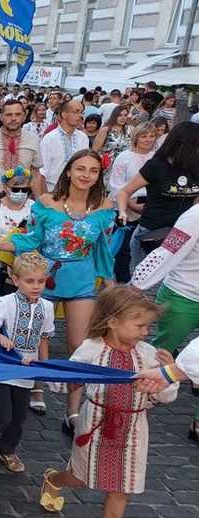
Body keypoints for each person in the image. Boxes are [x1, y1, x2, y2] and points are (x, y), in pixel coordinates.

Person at [0, 150, 116, 437]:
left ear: (98, 176)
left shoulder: (105, 208)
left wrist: (110, 283)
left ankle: (72, 409)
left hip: (81, 281)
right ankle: (36, 386)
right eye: (80, 168)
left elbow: (102, 249)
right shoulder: (46, 203)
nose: (85, 175)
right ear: (68, 171)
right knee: (35, 336)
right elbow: (32, 238)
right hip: (44, 278)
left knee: (78, 346)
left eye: (93, 171)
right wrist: (1, 246)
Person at [38, 286, 178, 517]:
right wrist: (49, 371)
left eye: (148, 326)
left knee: (121, 489)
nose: (145, 332)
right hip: (95, 425)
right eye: (139, 325)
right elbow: (62, 384)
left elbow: (167, 397)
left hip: (133, 430)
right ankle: (53, 479)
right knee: (81, 477)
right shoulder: (91, 349)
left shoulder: (148, 354)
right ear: (112, 322)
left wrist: (169, 375)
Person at [0, 252, 54, 474]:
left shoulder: (47, 307)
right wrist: (1, 337)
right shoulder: (5, 302)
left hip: (26, 370)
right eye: (29, 281)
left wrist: (45, 367)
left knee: (18, 417)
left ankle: (7, 449)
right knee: (1, 414)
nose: (36, 286)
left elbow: (44, 337)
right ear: (15, 279)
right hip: (4, 366)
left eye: (40, 281)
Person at [131, 198, 199, 439]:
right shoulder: (195, 216)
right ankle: (139, 396)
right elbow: (168, 251)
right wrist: (136, 285)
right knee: (159, 353)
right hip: (182, 296)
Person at [117, 122, 199, 272]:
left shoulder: (195, 167)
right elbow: (124, 191)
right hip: (150, 234)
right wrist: (124, 211)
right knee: (143, 283)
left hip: (180, 234)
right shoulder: (156, 166)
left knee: (168, 281)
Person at [107, 122, 156, 282]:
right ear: (136, 137)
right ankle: (122, 281)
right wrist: (129, 205)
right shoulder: (124, 157)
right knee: (124, 249)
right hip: (126, 207)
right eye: (144, 136)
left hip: (150, 207)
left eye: (151, 136)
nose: (148, 140)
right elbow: (116, 184)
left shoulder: (156, 157)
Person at [0, 166, 35, 292]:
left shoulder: (34, 207)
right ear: (5, 187)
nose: (20, 192)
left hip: (23, 267)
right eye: (15, 189)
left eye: (24, 189)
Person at [38, 100, 89, 194]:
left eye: (82, 113)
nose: (80, 116)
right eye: (76, 112)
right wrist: (45, 198)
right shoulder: (50, 138)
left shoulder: (83, 138)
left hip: (75, 192)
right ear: (64, 114)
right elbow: (42, 172)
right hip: (52, 190)